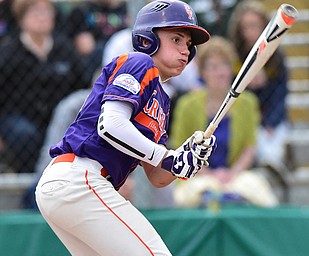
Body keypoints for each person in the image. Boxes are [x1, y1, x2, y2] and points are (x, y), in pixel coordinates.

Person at [35, 1, 216, 255]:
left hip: (72, 187)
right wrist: (167, 157)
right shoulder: (139, 62)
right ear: (147, 39)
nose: (185, 50)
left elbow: (157, 175)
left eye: (188, 44)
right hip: (81, 178)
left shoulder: (162, 101)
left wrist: (188, 156)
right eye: (176, 39)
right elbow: (111, 125)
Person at [170, 36, 278, 207]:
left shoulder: (248, 102)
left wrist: (231, 175)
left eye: (225, 65)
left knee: (261, 194)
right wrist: (209, 175)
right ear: (202, 72)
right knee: (196, 193)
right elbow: (179, 147)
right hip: (198, 176)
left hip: (235, 175)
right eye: (213, 67)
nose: (220, 72)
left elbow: (250, 147)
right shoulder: (186, 105)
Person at [0, 0, 89, 173]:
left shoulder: (64, 49)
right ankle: (35, 178)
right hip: (19, 118)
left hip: (58, 116)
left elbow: (82, 85)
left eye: (46, 12)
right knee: (24, 135)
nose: (42, 18)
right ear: (21, 18)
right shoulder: (8, 52)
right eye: (36, 12)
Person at [228, 0, 290, 167]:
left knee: (271, 140)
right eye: (245, 27)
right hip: (244, 115)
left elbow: (281, 94)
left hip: (270, 115)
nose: (250, 32)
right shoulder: (235, 56)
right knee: (255, 139)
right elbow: (230, 91)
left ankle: (272, 167)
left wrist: (271, 122)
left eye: (255, 25)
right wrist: (248, 84)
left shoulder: (276, 57)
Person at [64, 0, 130, 83]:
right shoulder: (82, 11)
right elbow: (83, 47)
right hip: (96, 70)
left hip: (125, 63)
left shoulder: (128, 9)